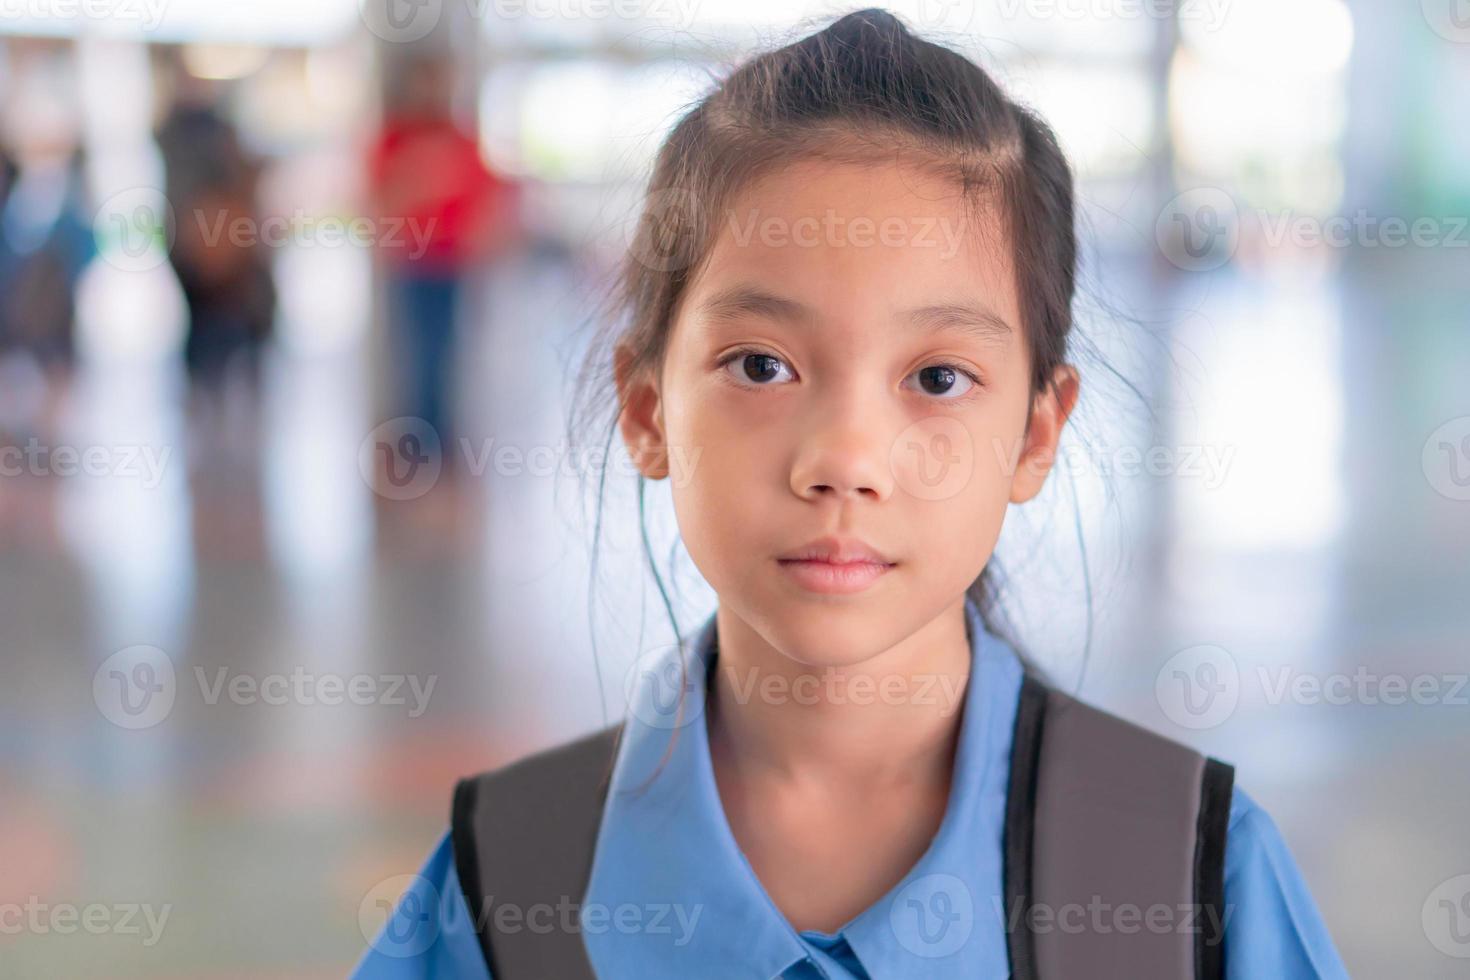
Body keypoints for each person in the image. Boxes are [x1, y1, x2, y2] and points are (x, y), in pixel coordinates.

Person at [353, 11, 1348, 979]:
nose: (843, 459)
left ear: (1036, 435)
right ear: (648, 408)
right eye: (760, 364)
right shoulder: (507, 892)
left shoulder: (1188, 883)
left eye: (937, 378)